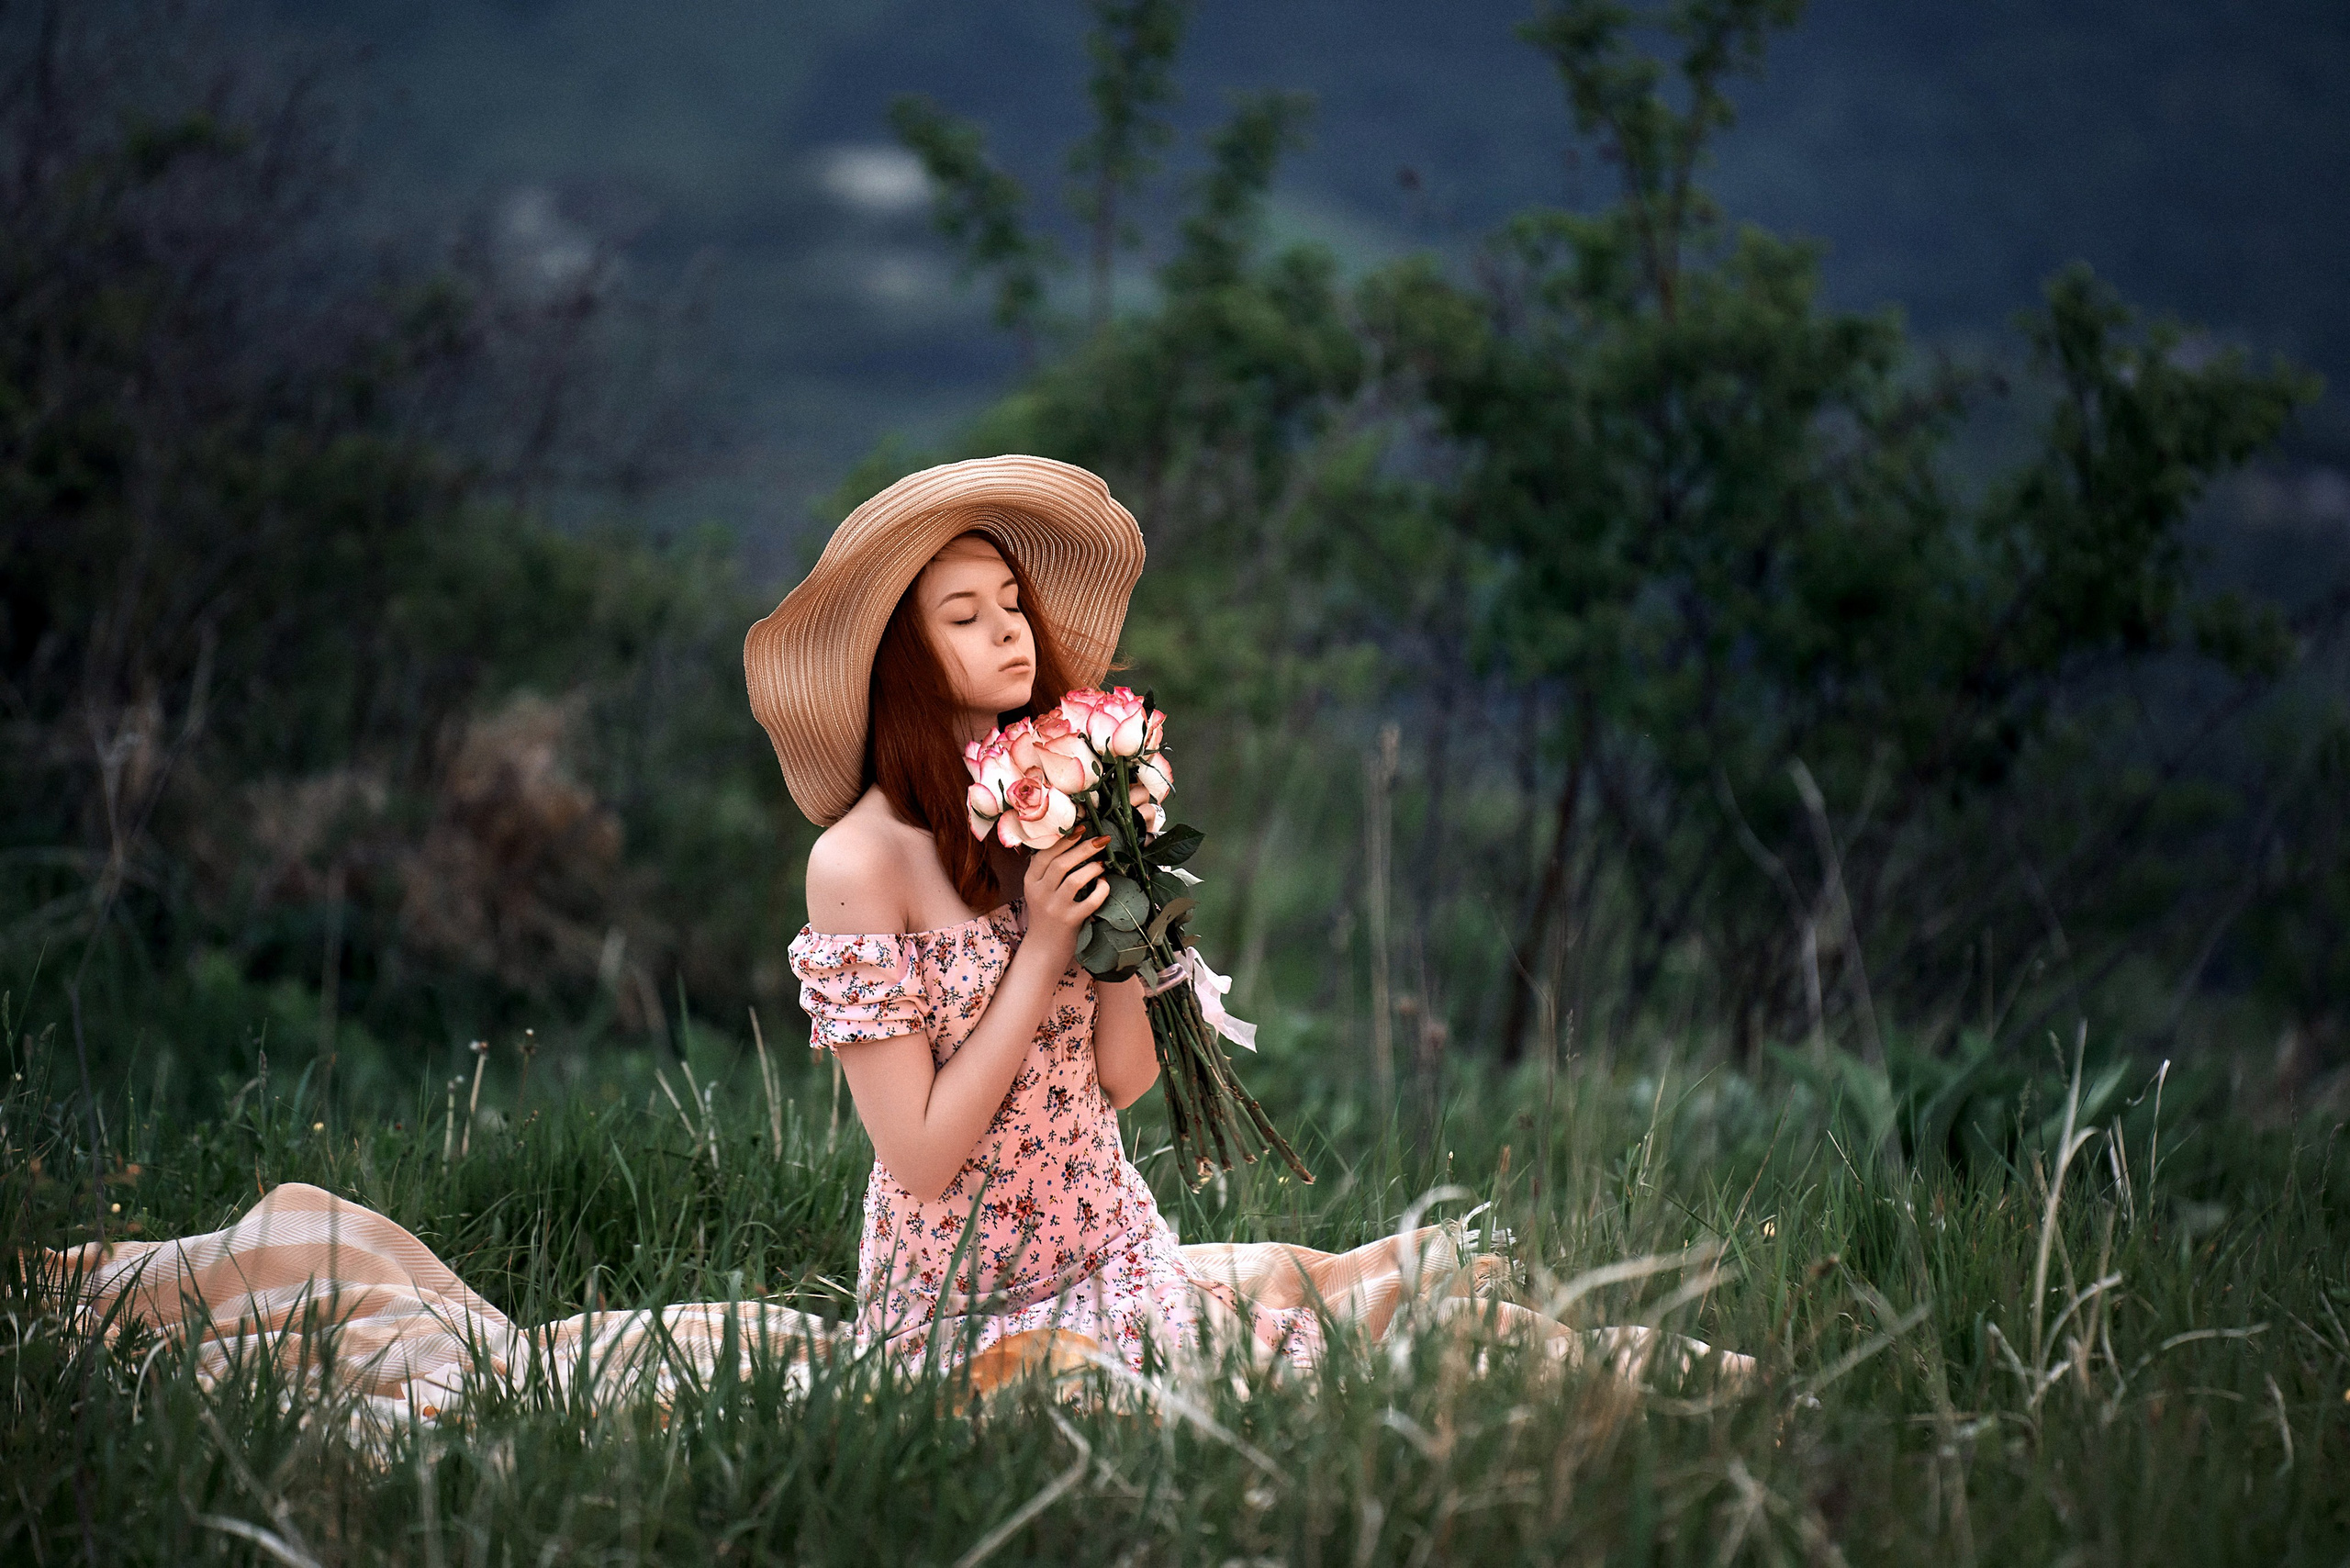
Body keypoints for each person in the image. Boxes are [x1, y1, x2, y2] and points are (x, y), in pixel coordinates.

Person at [46, 455, 1747, 1417]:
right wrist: (1026, 967)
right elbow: (927, 1159)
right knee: (1087, 1407)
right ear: (904, 664)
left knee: (1381, 1366)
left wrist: (1132, 934)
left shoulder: (1038, 822)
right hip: (958, 1285)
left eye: (1015, 605)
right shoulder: (858, 868)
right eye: (969, 613)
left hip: (1121, 1247)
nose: (1008, 631)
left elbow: (1122, 1094)